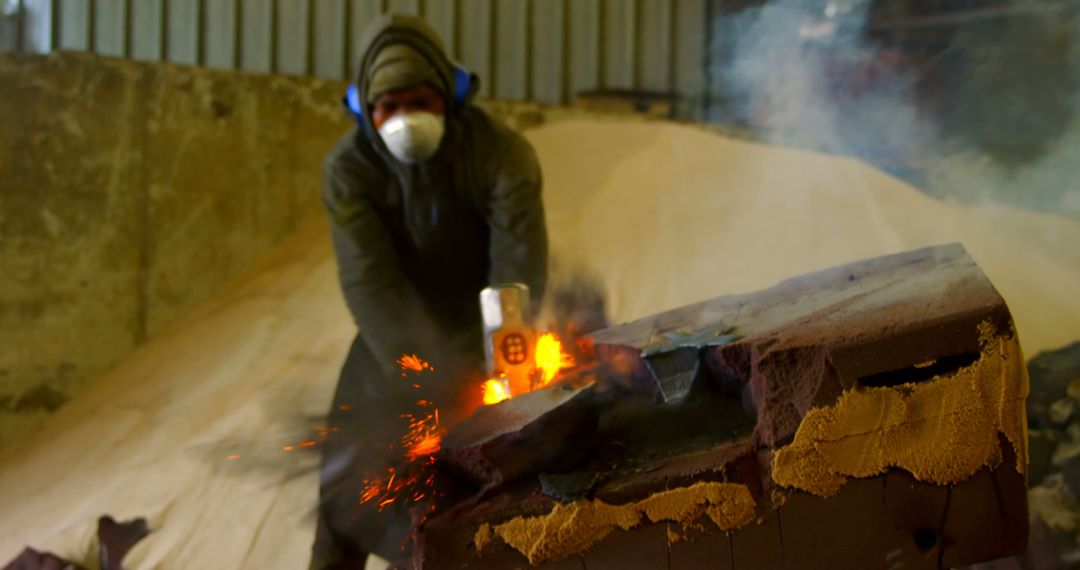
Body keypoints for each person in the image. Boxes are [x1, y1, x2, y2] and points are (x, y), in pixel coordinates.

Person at [310, 13, 548, 569]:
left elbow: (517, 269)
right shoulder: (349, 171)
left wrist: (499, 366)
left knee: (439, 517)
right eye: (388, 107)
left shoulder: (501, 153)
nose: (404, 119)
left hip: (483, 330)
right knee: (347, 496)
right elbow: (371, 284)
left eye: (419, 101)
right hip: (388, 343)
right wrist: (426, 374)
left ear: (449, 97)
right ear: (365, 111)